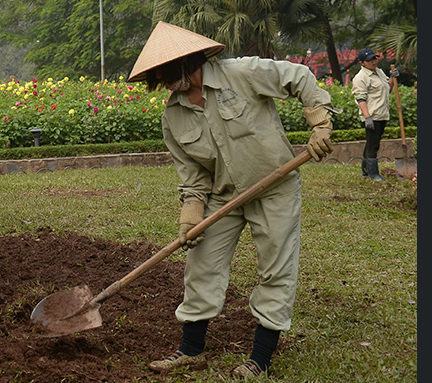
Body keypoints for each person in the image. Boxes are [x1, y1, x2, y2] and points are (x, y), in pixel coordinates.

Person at [127, 22, 336, 379]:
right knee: (201, 266)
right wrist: (190, 215)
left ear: (183, 61)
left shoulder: (241, 73)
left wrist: (319, 122)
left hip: (274, 189)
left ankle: (261, 357)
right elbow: (192, 176)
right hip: (222, 196)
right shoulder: (173, 117)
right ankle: (190, 350)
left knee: (275, 268)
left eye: (161, 72)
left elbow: (299, 77)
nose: (159, 81)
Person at [351, 48, 394, 182]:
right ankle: (373, 174)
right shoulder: (361, 78)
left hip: (382, 114)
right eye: (370, 60)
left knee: (371, 143)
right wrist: (367, 116)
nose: (374, 61)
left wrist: (392, 77)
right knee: (373, 145)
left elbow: (389, 88)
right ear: (362, 63)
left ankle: (365, 172)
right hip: (372, 116)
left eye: (375, 58)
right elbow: (360, 98)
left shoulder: (379, 72)